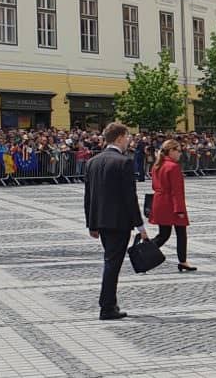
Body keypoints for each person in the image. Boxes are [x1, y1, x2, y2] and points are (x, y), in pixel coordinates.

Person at [84, 123, 148, 320]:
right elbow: (130, 197)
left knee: (110, 260)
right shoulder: (124, 162)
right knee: (112, 263)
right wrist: (140, 226)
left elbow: (89, 196)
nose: (129, 140)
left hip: (101, 220)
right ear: (120, 137)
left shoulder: (93, 162)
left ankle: (109, 304)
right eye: (127, 136)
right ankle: (107, 306)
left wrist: (91, 223)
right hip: (119, 222)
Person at [149, 139, 196, 272]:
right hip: (171, 204)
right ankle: (183, 261)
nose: (180, 154)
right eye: (178, 151)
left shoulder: (157, 165)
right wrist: (179, 209)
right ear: (171, 151)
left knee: (163, 234)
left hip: (159, 202)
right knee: (181, 233)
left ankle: (145, 250)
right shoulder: (173, 167)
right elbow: (177, 190)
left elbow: (154, 186)